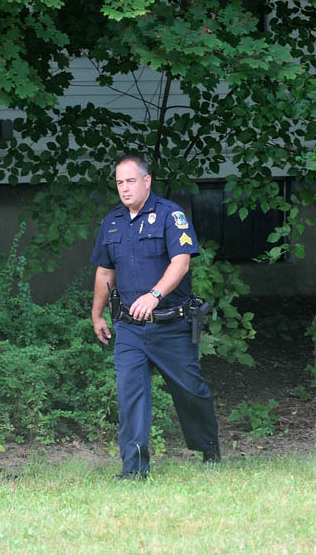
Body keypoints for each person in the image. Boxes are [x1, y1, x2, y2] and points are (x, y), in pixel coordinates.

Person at [90, 155, 220, 480]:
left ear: (147, 182)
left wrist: (155, 295)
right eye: (119, 182)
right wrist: (96, 315)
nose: (124, 188)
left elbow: (181, 262)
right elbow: (105, 270)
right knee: (130, 396)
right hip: (130, 330)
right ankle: (134, 469)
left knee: (190, 390)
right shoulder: (112, 222)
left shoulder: (170, 216)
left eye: (130, 181)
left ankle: (208, 448)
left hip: (171, 324)